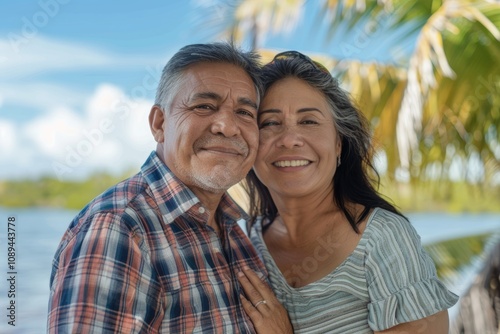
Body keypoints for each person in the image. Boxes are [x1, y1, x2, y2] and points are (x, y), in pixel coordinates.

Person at [47, 42, 291, 333]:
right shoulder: (118, 229)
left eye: (245, 113)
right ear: (159, 123)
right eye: (204, 106)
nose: (227, 126)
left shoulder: (234, 231)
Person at [240, 51, 459, 333]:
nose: (290, 140)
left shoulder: (382, 239)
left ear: (339, 144)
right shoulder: (247, 241)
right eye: (269, 123)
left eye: (308, 121)